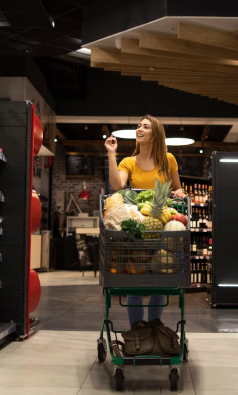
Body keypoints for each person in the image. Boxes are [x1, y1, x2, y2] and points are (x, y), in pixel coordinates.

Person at [104, 114, 187, 327]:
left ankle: (154, 328)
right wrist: (112, 154)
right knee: (135, 283)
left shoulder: (168, 160)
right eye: (138, 126)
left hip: (163, 226)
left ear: (155, 135)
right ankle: (137, 331)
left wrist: (179, 193)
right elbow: (117, 186)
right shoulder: (128, 162)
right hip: (139, 229)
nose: (139, 129)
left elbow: (177, 187)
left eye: (145, 126)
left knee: (159, 282)